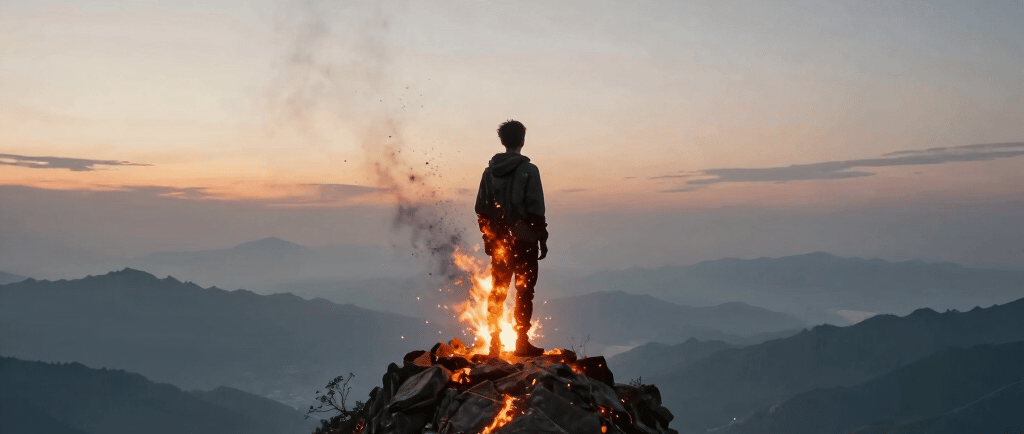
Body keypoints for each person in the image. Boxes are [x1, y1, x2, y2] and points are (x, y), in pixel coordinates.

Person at [475, 119, 548, 357]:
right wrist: (542, 238)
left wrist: (489, 239)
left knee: (498, 289)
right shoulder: (529, 170)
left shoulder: (489, 173)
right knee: (524, 290)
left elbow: (482, 210)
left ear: (503, 141)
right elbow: (536, 210)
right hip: (524, 239)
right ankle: (521, 343)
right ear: (522, 140)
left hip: (499, 243)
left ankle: (494, 342)